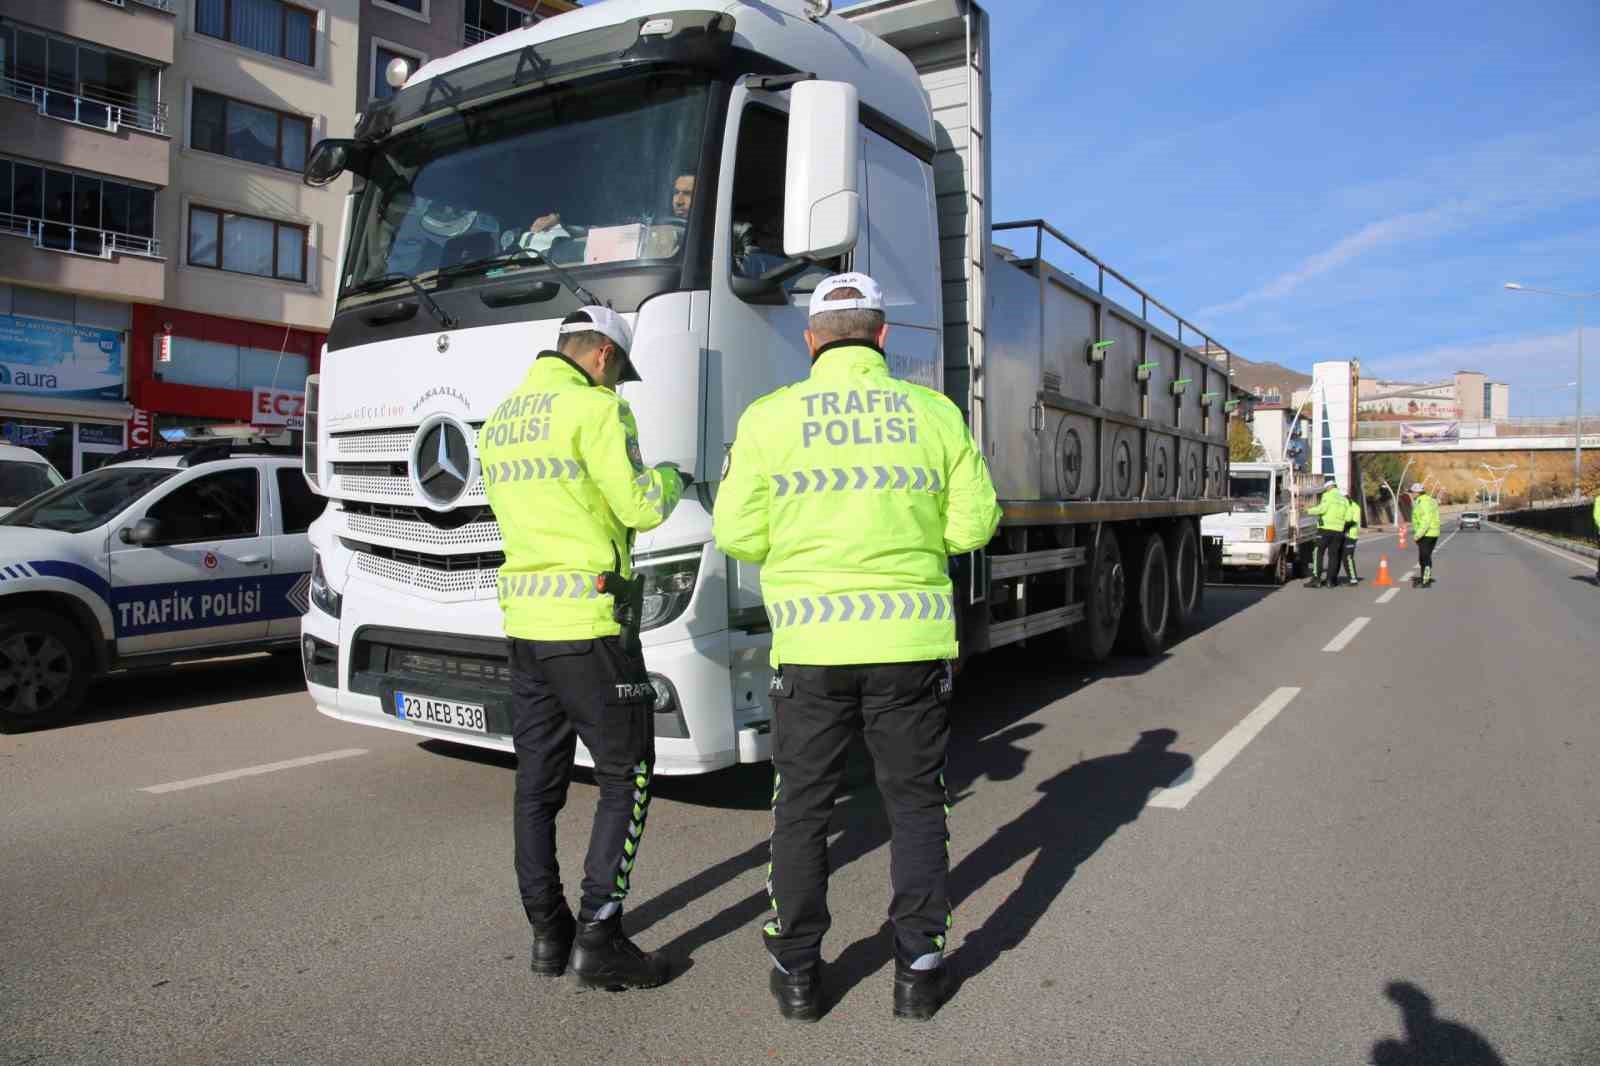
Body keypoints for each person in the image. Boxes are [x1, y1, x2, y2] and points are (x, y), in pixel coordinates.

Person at [712, 272, 1002, 1023]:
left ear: (812, 342)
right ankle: (920, 971)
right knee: (915, 805)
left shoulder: (771, 418)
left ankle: (800, 973)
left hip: (810, 648)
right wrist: (907, 543)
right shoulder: (932, 413)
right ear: (881, 336)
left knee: (802, 808)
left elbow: (738, 534)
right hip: (909, 644)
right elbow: (974, 526)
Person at [478, 307, 687, 990]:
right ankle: (601, 934)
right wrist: (674, 477)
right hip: (588, 624)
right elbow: (640, 506)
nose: (621, 385)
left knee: (537, 787)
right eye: (620, 372)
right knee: (628, 774)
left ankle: (549, 931)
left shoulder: (503, 416)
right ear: (601, 356)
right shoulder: (597, 411)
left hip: (526, 625)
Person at [1305, 475, 1348, 588]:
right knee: (1333, 556)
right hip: (1339, 531)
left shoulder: (1328, 496)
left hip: (1325, 530)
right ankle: (1330, 581)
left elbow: (1322, 509)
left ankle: (1316, 580)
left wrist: (1308, 510)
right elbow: (1347, 517)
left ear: (1328, 487)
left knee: (1318, 553)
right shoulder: (1344, 499)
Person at [1410, 482, 1440, 587]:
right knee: (1425, 556)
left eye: (1412, 492)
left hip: (1426, 533)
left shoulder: (1422, 503)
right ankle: (1424, 578)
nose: (1411, 494)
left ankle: (1426, 581)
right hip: (1434, 533)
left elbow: (1425, 521)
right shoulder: (1431, 500)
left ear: (1418, 492)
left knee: (1424, 557)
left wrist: (1418, 535)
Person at [1343, 492, 1362, 584]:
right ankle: (1350, 578)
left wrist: (1343, 526)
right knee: (1343, 558)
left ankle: (1353, 579)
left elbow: (1354, 521)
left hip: (1351, 535)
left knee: (1348, 557)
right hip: (1345, 535)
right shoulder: (1347, 505)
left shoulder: (1354, 507)